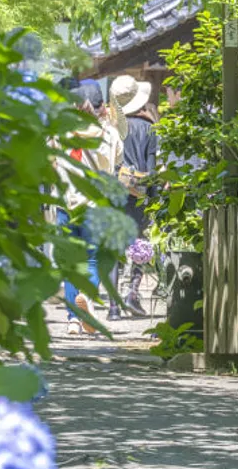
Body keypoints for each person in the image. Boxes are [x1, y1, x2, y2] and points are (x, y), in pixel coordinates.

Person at [54, 80, 113, 335]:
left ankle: (72, 320)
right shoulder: (108, 134)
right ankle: (86, 301)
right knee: (92, 260)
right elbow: (115, 165)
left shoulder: (62, 133)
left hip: (65, 205)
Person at [106, 74, 159, 319]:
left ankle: (113, 307)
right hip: (139, 196)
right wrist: (154, 199)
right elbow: (152, 170)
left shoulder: (112, 128)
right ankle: (132, 294)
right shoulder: (149, 128)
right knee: (140, 245)